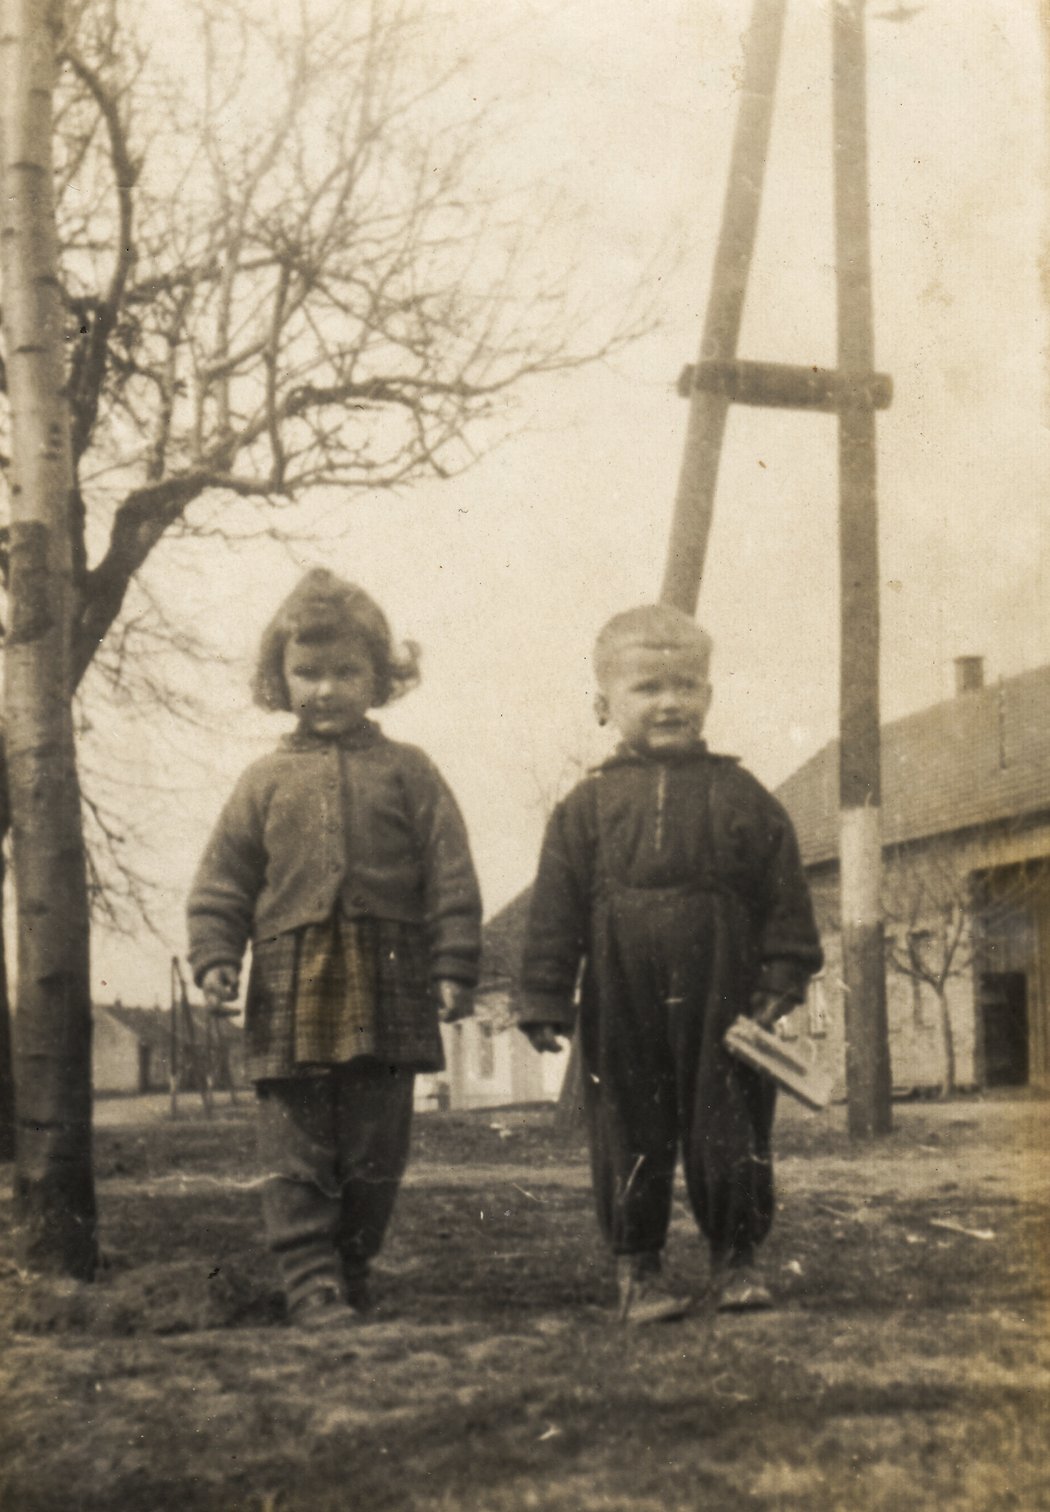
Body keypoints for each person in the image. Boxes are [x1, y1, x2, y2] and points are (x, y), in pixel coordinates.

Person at [187, 569, 481, 1329]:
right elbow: (224, 879)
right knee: (296, 1143)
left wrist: (453, 963)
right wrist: (217, 954)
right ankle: (310, 1281)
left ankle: (353, 1268)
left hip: (389, 976)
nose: (325, 689)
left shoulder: (411, 772)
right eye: (307, 672)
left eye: (346, 671)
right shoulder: (262, 781)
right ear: (278, 679)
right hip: (292, 979)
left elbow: (450, 872)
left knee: (377, 1147)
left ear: (379, 677)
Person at [518, 605, 822, 1324]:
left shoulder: (743, 796)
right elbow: (555, 911)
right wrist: (543, 996)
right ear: (604, 704)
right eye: (647, 688)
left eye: (685, 686)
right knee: (627, 1126)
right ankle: (639, 1272)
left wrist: (781, 978)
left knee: (731, 1126)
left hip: (724, 994)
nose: (669, 702)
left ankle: (737, 1262)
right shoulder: (584, 809)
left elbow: (785, 899)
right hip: (621, 994)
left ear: (709, 697)